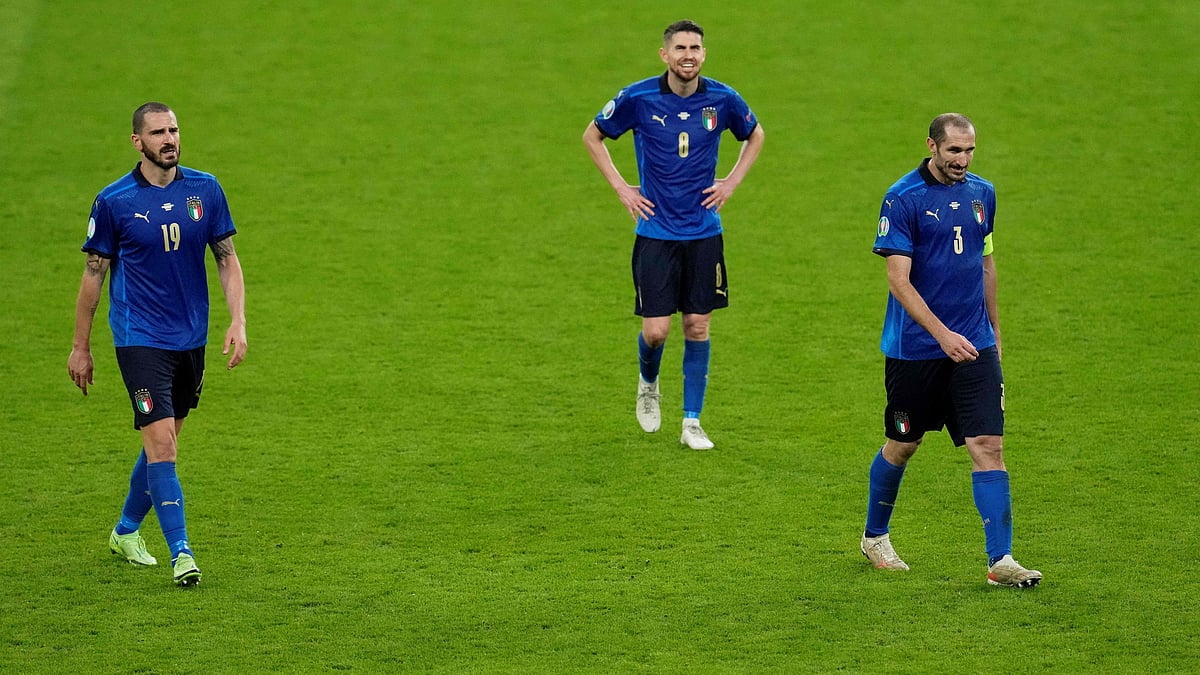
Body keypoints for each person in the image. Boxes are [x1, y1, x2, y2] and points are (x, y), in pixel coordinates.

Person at [68, 102, 247, 587]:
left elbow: (227, 259)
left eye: (174, 129)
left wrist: (238, 320)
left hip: (191, 338)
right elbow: (93, 277)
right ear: (137, 141)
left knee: (163, 443)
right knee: (163, 444)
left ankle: (125, 530)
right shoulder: (115, 201)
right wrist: (81, 347)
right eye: (158, 132)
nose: (169, 139)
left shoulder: (205, 189)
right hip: (138, 337)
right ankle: (182, 554)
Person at [860, 113, 1041, 588]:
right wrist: (942, 335)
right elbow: (898, 280)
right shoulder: (903, 199)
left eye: (970, 151)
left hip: (974, 346)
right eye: (954, 151)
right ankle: (875, 536)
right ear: (932, 147)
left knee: (989, 446)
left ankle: (1001, 561)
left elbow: (986, 264)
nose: (962, 160)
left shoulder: (983, 193)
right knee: (904, 444)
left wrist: (994, 331)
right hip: (916, 350)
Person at [583, 19, 764, 450]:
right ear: (664, 55)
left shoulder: (722, 99)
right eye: (680, 48)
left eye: (695, 48)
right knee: (657, 332)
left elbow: (754, 133)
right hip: (657, 231)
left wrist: (731, 182)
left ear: (704, 54)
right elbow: (593, 136)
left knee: (697, 325)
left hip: (703, 231)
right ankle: (648, 382)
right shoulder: (638, 97)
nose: (688, 55)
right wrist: (622, 187)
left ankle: (691, 421)